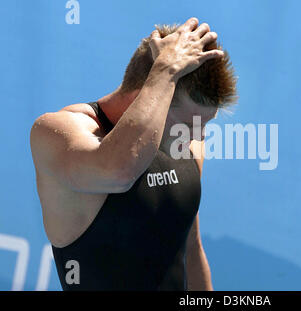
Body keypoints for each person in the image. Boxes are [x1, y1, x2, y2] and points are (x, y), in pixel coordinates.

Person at [29, 17, 238, 290]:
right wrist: (164, 71)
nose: (199, 137)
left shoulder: (187, 143)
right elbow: (118, 172)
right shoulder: (57, 131)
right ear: (150, 93)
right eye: (189, 124)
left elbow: (189, 248)